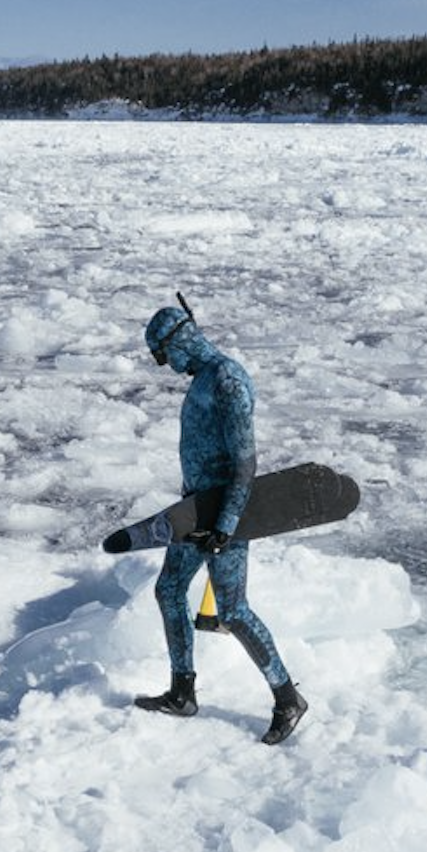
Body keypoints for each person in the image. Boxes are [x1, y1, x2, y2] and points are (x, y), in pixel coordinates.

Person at [133, 302, 309, 745]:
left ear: (179, 340)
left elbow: (245, 461)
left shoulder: (227, 379)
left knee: (232, 610)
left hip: (225, 514)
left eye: (161, 355)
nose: (165, 365)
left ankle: (288, 698)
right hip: (195, 511)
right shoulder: (201, 381)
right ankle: (182, 692)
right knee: (169, 589)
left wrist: (227, 523)